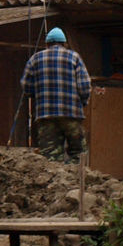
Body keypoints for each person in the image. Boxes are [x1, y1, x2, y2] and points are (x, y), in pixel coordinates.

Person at [20, 27, 92, 163]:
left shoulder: (35, 59)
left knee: (50, 158)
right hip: (71, 114)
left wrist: (36, 95)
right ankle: (75, 181)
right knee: (78, 154)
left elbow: (26, 85)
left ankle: (55, 183)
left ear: (46, 44)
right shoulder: (74, 57)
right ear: (64, 43)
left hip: (46, 115)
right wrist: (83, 102)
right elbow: (84, 85)